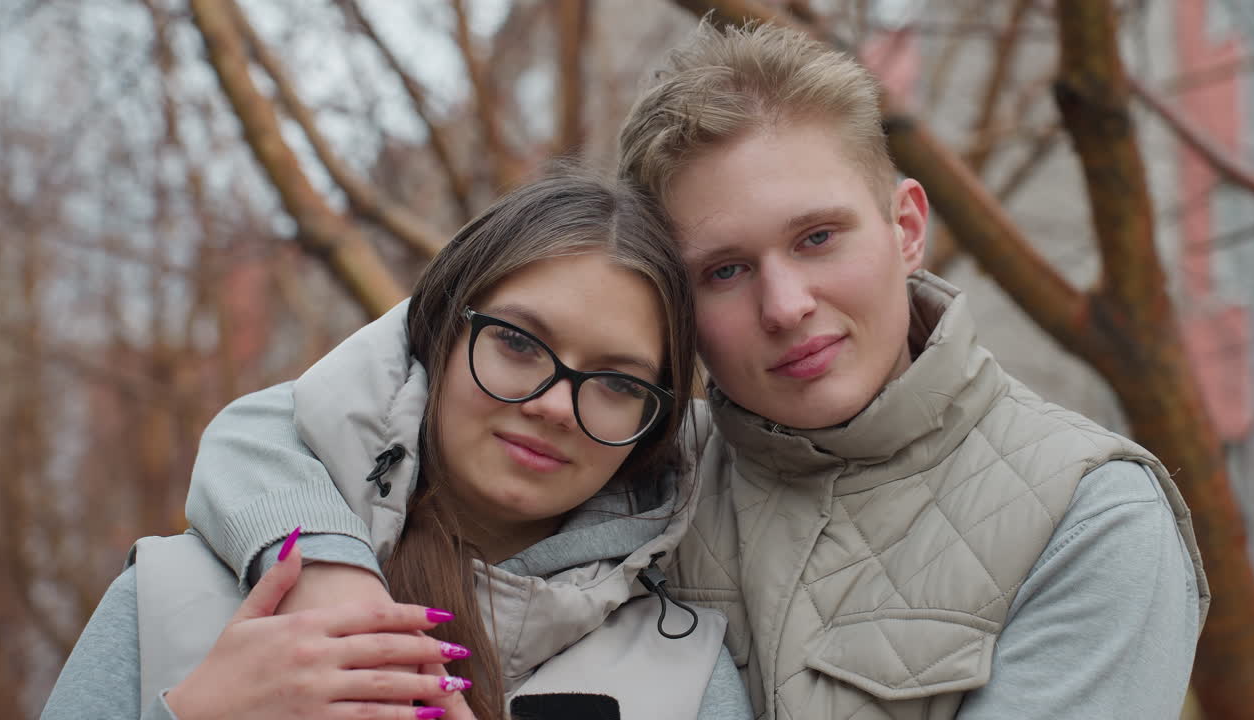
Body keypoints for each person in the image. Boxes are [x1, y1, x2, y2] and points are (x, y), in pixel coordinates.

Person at [175, 21, 1209, 720]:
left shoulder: (1087, 515)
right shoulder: (633, 452)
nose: (783, 305)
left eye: (816, 238)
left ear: (904, 227)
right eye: (723, 268)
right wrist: (328, 576)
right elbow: (306, 417)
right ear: (670, 308)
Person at [41, 174, 753, 720]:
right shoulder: (168, 597)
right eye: (515, 342)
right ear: (438, 337)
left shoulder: (685, 679)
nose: (554, 406)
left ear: (653, 422)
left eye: (616, 382)